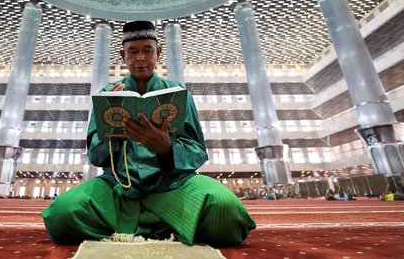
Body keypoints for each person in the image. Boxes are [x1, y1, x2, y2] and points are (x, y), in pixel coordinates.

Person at [42, 21, 256, 246]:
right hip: (119, 189)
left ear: (158, 53)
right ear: (123, 55)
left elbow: (198, 152)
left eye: (147, 50)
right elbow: (95, 156)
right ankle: (178, 225)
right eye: (132, 52)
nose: (140, 58)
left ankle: (134, 225)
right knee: (61, 215)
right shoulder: (107, 94)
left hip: (172, 187)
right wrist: (114, 130)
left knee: (227, 211)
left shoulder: (178, 94)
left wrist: (166, 148)